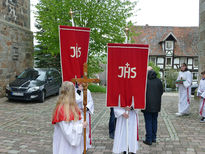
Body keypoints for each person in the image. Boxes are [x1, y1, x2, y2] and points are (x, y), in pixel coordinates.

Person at [52, 81, 88, 154]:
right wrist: (81, 126)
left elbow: (76, 121)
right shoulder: (61, 109)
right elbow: (68, 132)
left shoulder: (73, 106)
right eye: (73, 90)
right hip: (65, 145)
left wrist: (82, 122)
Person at [142, 70, 163, 145]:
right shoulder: (159, 81)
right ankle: (153, 138)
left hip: (147, 105)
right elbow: (161, 92)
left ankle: (148, 139)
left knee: (148, 121)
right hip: (156, 105)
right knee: (154, 121)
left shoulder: (145, 81)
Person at [75, 82, 94, 149]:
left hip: (85, 112)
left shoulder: (87, 91)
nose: (80, 85)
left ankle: (85, 146)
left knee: (86, 129)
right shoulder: (74, 91)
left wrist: (86, 107)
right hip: (77, 113)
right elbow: (76, 100)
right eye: (79, 84)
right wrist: (78, 91)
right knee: (78, 129)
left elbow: (90, 101)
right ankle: (79, 146)